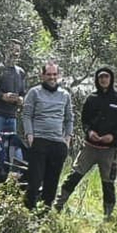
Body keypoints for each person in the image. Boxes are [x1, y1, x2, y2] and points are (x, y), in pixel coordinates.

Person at [56, 66, 117, 217]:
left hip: (109, 151)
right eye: (100, 77)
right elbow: (84, 120)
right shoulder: (91, 99)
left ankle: (108, 216)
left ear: (111, 79)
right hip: (89, 148)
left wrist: (114, 135)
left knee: (108, 183)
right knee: (74, 175)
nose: (103, 80)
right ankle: (58, 206)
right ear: (97, 80)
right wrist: (89, 131)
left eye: (106, 77)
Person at [20, 62, 73, 211]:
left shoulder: (65, 95)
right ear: (42, 76)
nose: (52, 77)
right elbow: (27, 115)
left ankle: (44, 216)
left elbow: (69, 118)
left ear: (59, 75)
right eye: (49, 74)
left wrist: (67, 138)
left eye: (54, 74)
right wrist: (30, 134)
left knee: (52, 183)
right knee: (34, 182)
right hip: (39, 141)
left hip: (57, 144)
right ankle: (28, 212)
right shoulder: (34, 92)